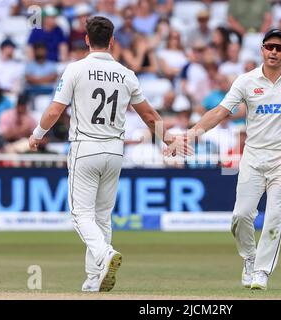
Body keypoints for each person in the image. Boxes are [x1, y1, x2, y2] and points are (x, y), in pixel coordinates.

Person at [28, 16, 183, 293]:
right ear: (112, 41)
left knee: (80, 214)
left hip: (85, 148)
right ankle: (93, 278)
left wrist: (37, 134)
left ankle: (104, 254)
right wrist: (168, 138)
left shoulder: (76, 69)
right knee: (102, 216)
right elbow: (148, 114)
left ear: (87, 40)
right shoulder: (126, 74)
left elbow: (54, 110)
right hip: (114, 150)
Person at [171, 29, 281, 290]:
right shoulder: (246, 81)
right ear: (262, 49)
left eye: (279, 48)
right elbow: (220, 112)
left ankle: (262, 270)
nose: (273, 52)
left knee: (274, 218)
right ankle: (249, 259)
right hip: (253, 157)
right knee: (241, 216)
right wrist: (191, 135)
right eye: (269, 47)